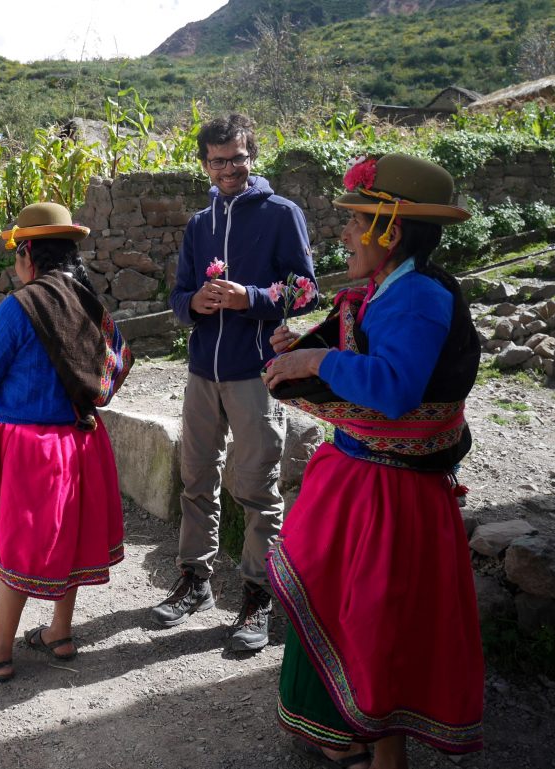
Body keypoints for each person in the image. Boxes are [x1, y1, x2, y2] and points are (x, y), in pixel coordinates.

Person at [262, 154, 484, 768]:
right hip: (365, 482)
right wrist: (304, 349)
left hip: (391, 498)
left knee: (379, 623)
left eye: (356, 220)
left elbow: (393, 388)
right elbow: (353, 343)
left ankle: (383, 756)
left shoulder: (416, 296)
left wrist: (315, 364)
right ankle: (348, 734)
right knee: (349, 612)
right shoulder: (388, 288)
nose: (345, 232)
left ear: (391, 228)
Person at [0, 202, 132, 681]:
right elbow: (116, 365)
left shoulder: (21, 306)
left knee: (14, 543)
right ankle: (60, 632)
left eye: (18, 252)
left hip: (26, 449)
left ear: (29, 255)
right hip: (80, 440)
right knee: (71, 536)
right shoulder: (87, 303)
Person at [151, 113, 317, 652]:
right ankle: (194, 580)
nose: (228, 168)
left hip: (255, 374)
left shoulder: (280, 214)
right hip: (203, 372)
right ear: (204, 163)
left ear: (252, 157)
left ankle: (257, 594)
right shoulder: (199, 225)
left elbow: (305, 291)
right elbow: (178, 296)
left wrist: (253, 298)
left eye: (237, 157)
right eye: (217, 160)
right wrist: (192, 304)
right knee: (195, 478)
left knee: (257, 487)